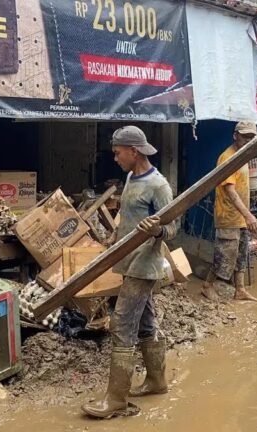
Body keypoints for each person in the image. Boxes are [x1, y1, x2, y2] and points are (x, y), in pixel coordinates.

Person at [81, 126, 177, 419]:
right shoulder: (131, 177)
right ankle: (157, 381)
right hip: (127, 261)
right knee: (146, 323)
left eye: (118, 152)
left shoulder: (158, 186)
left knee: (122, 324)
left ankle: (116, 400)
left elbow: (173, 228)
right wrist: (113, 239)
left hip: (143, 266)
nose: (115, 157)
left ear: (134, 151)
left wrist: (159, 229)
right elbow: (129, 216)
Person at [201, 121, 257, 303]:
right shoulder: (227, 158)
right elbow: (230, 190)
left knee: (242, 254)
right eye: (245, 136)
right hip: (228, 215)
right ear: (235, 135)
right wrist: (248, 215)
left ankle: (240, 289)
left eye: (251, 136)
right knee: (224, 255)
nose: (248, 139)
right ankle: (207, 286)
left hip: (240, 216)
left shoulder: (243, 156)